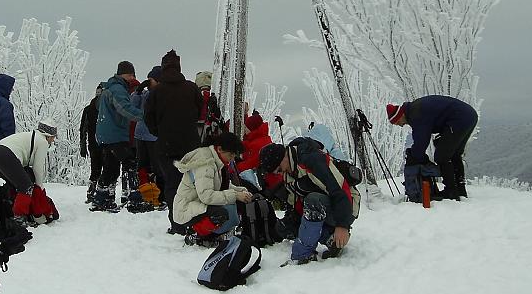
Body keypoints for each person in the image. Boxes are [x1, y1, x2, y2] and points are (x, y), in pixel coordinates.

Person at [259, 137, 361, 265]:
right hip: (325, 205)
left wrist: (343, 226)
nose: (280, 173)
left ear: (284, 157)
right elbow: (294, 201)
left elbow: (340, 190)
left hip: (347, 205)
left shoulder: (312, 159)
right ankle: (330, 238)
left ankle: (302, 255)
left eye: (279, 169)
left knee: (313, 200)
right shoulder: (289, 170)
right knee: (286, 228)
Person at [144, 49, 203, 234]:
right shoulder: (192, 88)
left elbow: (148, 117)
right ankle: (194, 222)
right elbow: (201, 110)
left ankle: (177, 224)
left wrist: (159, 132)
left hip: (166, 146)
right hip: (190, 145)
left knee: (172, 185)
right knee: (193, 184)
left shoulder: (156, 92)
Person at [386, 95, 478, 199]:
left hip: (459, 119)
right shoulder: (414, 109)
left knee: (442, 156)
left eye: (397, 122)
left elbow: (422, 140)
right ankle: (460, 189)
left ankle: (451, 191)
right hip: (469, 115)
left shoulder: (415, 113)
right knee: (454, 155)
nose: (400, 125)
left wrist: (415, 156)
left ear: (400, 115)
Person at [173, 132, 253, 247]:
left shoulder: (216, 160)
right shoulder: (205, 163)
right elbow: (206, 196)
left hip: (198, 204)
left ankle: (217, 233)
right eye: (230, 155)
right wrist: (235, 195)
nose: (231, 160)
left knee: (235, 203)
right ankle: (198, 234)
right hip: (186, 208)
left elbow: (220, 185)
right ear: (220, 149)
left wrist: (240, 191)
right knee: (220, 214)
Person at [91, 60, 147, 212]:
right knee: (129, 163)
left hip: (105, 134)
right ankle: (134, 199)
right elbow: (124, 108)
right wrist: (146, 116)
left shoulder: (109, 88)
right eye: (132, 76)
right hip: (115, 135)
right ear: (128, 75)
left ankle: (101, 198)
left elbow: (98, 106)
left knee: (111, 167)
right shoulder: (118, 89)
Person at [0, 121, 59, 225]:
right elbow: (37, 168)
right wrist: (39, 187)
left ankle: (3, 216)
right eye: (53, 137)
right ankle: (19, 218)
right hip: (5, 154)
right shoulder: (42, 141)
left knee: (6, 188)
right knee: (26, 187)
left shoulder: (29, 136)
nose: (53, 140)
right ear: (48, 135)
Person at [132, 66, 165, 206]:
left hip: (154, 137)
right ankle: (145, 194)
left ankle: (160, 195)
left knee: (158, 168)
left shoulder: (161, 94)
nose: (148, 82)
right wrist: (138, 92)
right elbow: (132, 106)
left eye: (150, 79)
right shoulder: (145, 94)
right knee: (142, 167)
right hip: (140, 136)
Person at [79, 85, 103, 203]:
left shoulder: (88, 109)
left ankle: (91, 193)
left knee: (95, 170)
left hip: (93, 145)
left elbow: (82, 129)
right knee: (106, 169)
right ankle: (101, 193)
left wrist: (83, 146)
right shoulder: (105, 109)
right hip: (105, 144)